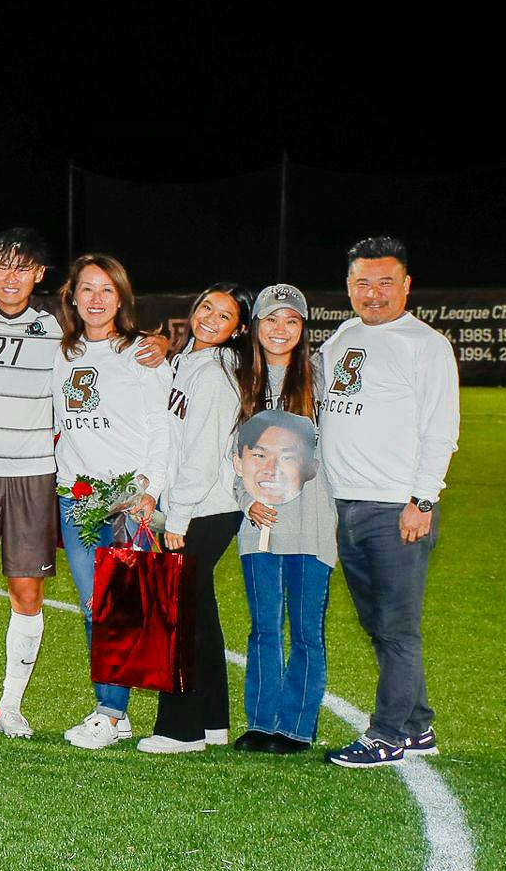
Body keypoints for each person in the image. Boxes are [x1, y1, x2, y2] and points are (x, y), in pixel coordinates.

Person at [0, 228, 165, 740]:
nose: (12, 275)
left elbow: (153, 403)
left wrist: (162, 342)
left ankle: (14, 707)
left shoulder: (54, 333)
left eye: (25, 267)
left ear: (40, 275)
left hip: (39, 478)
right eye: (3, 263)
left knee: (34, 593)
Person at [318, 237, 459, 768]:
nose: (372, 294)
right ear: (348, 288)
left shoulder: (425, 345)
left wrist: (421, 501)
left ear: (406, 285)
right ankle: (418, 726)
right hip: (347, 507)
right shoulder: (344, 336)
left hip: (396, 508)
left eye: (384, 283)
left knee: (398, 628)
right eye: (362, 284)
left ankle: (386, 734)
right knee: (378, 626)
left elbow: (441, 430)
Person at [52, 254, 173, 750]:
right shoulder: (61, 352)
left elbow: (161, 427)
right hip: (77, 497)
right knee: (91, 605)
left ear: (120, 297)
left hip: (126, 499)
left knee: (118, 607)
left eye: (106, 290)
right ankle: (114, 712)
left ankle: (108, 710)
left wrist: (150, 489)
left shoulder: (142, 354)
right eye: (87, 289)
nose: (96, 299)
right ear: (73, 296)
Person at [146, 284, 251, 753]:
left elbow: (203, 458)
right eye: (207, 306)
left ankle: (180, 729)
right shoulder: (189, 361)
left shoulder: (213, 374)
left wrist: (177, 518)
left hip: (204, 509)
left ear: (238, 329)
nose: (210, 317)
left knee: (178, 614)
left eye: (224, 315)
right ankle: (212, 722)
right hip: (200, 507)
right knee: (200, 615)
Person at [231, 292, 336, 754]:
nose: (280, 328)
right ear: (255, 325)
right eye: (271, 318)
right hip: (262, 524)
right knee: (265, 628)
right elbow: (229, 455)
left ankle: (295, 726)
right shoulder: (238, 380)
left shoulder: (323, 377)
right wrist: (245, 500)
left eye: (291, 320)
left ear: (303, 328)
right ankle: (261, 721)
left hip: (312, 523)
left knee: (306, 630)